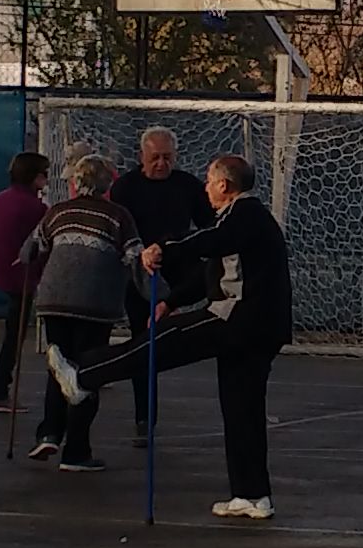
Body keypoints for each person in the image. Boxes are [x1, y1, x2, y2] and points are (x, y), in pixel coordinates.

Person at [58, 154, 293, 518]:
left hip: (240, 319)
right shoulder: (241, 221)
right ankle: (252, 494)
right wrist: (172, 300)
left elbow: (208, 241)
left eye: (209, 181)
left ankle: (84, 375)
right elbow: (210, 272)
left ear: (224, 185)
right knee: (242, 410)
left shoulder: (243, 214)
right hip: (259, 327)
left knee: (163, 342)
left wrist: (164, 250)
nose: (205, 188)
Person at [22, 156, 132, 470]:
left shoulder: (58, 211)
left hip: (54, 300)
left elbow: (31, 249)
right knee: (87, 372)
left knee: (60, 366)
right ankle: (77, 451)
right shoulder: (118, 216)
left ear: (75, 182)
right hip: (95, 305)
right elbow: (134, 255)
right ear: (107, 185)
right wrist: (160, 294)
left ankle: (49, 433)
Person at [112, 128, 209, 440]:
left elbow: (208, 227)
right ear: (142, 156)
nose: (161, 164)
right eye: (155, 158)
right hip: (139, 276)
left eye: (167, 158)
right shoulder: (125, 187)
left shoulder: (188, 185)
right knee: (143, 345)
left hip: (180, 275)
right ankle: (145, 417)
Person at [0, 152, 52, 415]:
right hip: (21, 276)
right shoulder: (36, 209)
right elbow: (45, 244)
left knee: (11, 331)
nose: (46, 179)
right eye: (43, 174)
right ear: (34, 177)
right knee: (14, 336)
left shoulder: (0, 199)